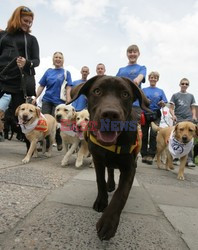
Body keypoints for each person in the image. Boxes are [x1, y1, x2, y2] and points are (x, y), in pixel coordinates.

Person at [0, 6, 40, 113]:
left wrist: (26, 62)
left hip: (19, 83)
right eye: (25, 20)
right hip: (1, 78)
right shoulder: (3, 35)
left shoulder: (31, 39)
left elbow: (36, 61)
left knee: (17, 117)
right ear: (17, 18)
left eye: (30, 22)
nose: (28, 24)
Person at [141, 71, 168, 165]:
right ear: (149, 79)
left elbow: (164, 102)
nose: (153, 79)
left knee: (153, 134)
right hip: (145, 113)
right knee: (144, 135)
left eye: (155, 78)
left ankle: (151, 155)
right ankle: (143, 154)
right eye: (151, 77)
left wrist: (162, 103)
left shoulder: (160, 91)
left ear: (157, 79)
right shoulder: (143, 90)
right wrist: (145, 101)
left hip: (156, 114)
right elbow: (139, 101)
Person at [169, 78, 197, 167]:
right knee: (176, 139)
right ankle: (176, 158)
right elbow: (171, 108)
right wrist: (173, 115)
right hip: (178, 120)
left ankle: (189, 160)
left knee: (189, 140)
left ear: (188, 85)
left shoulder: (191, 96)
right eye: (183, 83)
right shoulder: (175, 95)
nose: (184, 85)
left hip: (188, 119)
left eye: (186, 84)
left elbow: (193, 108)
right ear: (180, 84)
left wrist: (194, 116)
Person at [116, 44, 147, 121]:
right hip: (120, 105)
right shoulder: (121, 70)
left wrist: (137, 80)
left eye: (135, 52)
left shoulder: (142, 68)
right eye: (130, 52)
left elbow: (140, 77)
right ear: (127, 54)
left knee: (133, 128)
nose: (132, 54)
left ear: (138, 54)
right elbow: (114, 83)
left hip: (135, 105)